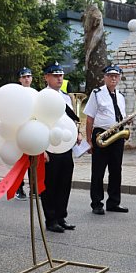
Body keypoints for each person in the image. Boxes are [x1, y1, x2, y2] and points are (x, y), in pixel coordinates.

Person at [41, 62, 81, 233]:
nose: (59, 78)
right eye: (55, 75)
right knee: (50, 184)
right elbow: (37, 123)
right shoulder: (41, 97)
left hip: (65, 146)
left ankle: (61, 216)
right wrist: (41, 148)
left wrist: (77, 134)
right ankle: (51, 219)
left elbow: (71, 119)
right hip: (49, 147)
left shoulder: (65, 97)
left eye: (61, 75)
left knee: (64, 183)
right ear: (46, 77)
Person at [84, 64, 128, 215]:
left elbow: (118, 116)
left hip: (117, 135)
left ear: (120, 77)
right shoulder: (96, 93)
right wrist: (89, 140)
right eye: (110, 75)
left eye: (116, 75)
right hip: (101, 134)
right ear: (105, 77)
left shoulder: (121, 96)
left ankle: (114, 202)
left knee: (116, 170)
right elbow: (89, 119)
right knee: (98, 171)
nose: (113, 78)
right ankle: (97, 203)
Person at [14, 67, 33, 201]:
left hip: (32, 130)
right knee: (20, 163)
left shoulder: (35, 93)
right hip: (20, 130)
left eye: (28, 76)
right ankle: (19, 188)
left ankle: (34, 187)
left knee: (33, 162)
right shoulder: (16, 93)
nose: (27, 79)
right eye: (24, 77)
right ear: (20, 79)